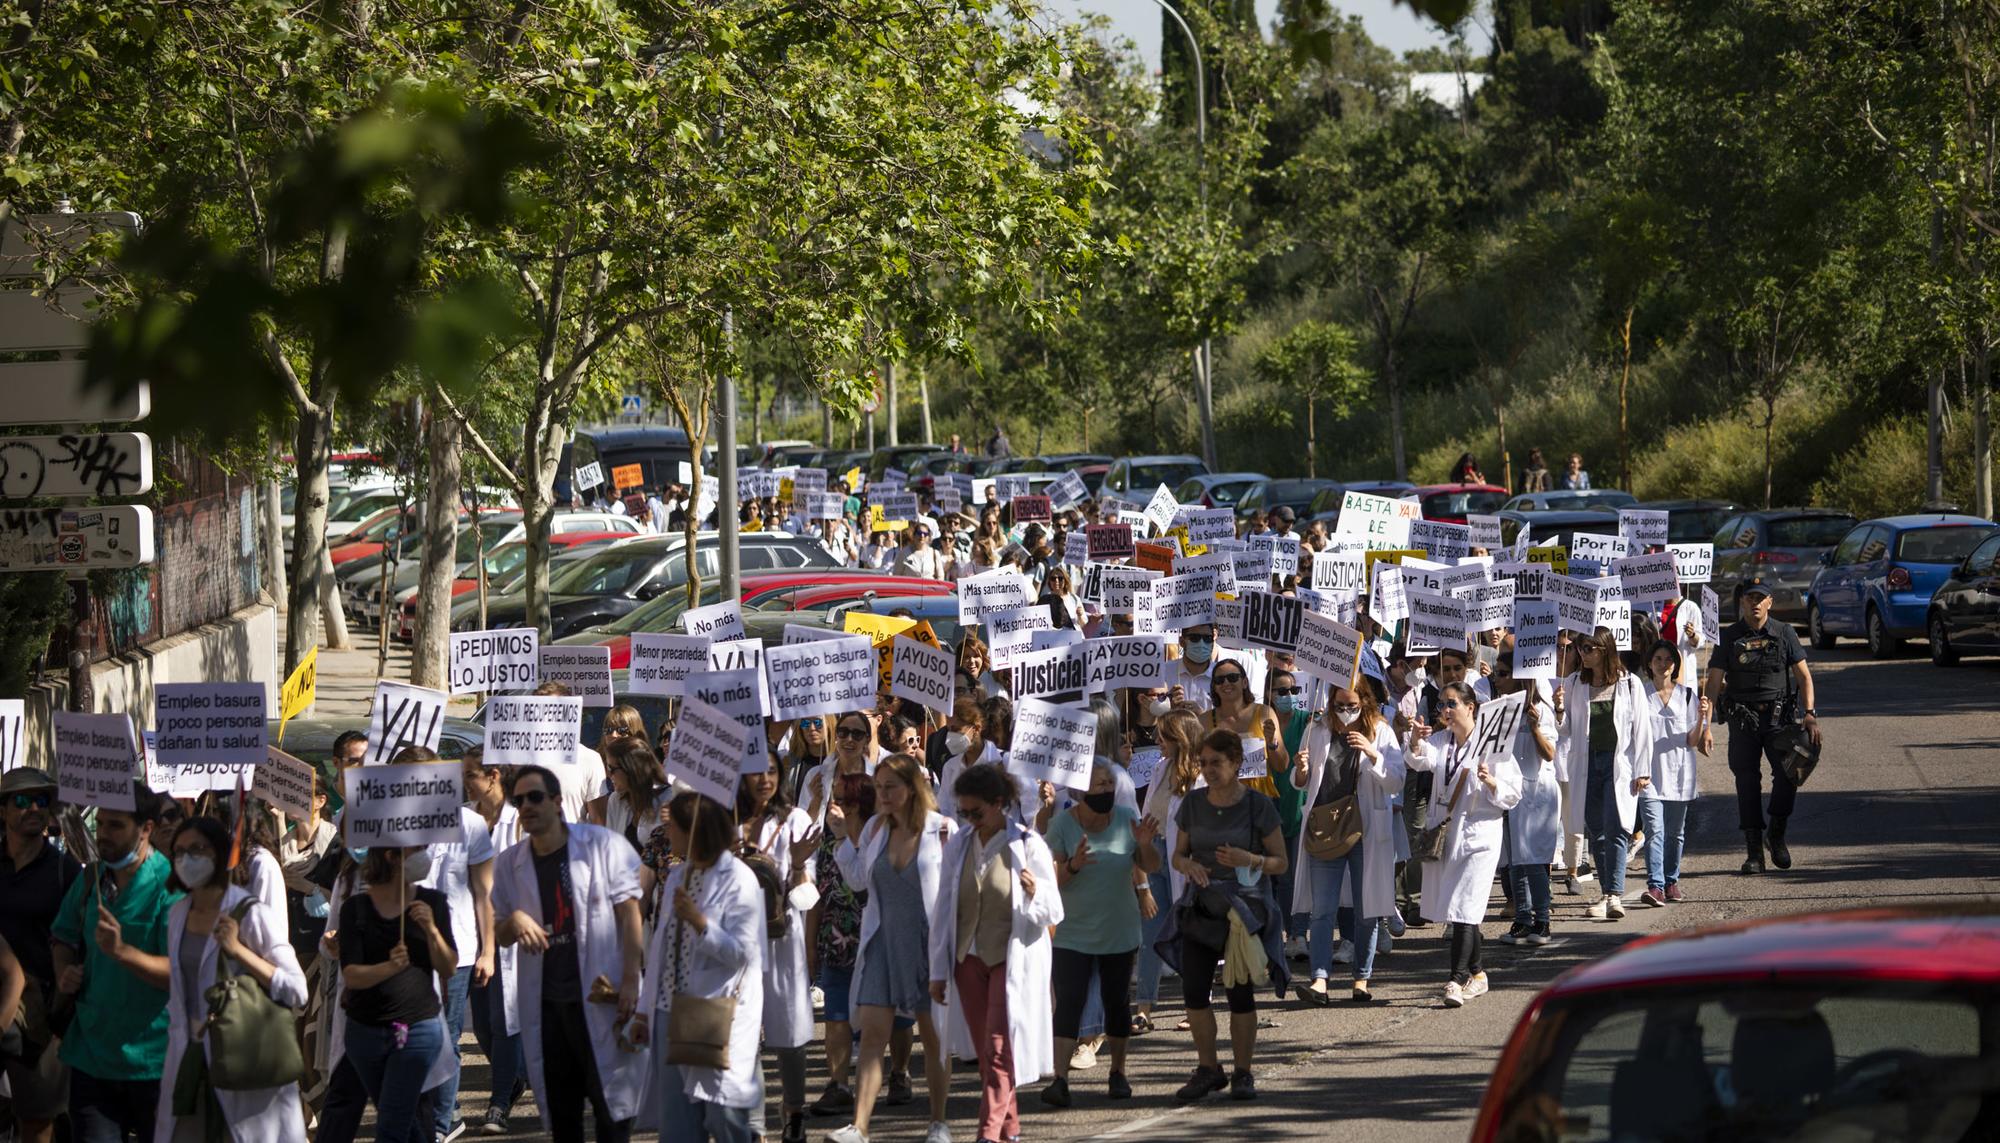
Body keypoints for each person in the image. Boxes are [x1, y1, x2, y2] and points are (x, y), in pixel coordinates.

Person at [491, 765, 648, 1143]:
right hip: (548, 1008)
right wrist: (513, 921)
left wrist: (630, 980)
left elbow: (630, 914)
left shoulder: (601, 845)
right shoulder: (509, 864)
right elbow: (499, 933)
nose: (526, 806)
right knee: (564, 1120)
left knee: (612, 1115)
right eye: (519, 800)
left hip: (601, 997)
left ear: (558, 802)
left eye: (535, 797)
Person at [826, 754, 955, 1143]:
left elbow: (958, 890)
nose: (881, 795)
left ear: (912, 788)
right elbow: (859, 880)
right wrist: (843, 837)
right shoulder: (874, 831)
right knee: (871, 1038)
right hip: (881, 940)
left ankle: (938, 1123)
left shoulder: (943, 830)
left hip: (926, 944)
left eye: (890, 787)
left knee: (934, 1039)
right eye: (878, 787)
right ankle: (859, 1126)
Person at [926, 766, 1060, 1140]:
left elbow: (1054, 910)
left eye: (976, 812)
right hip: (967, 960)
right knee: (987, 1054)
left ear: (999, 804)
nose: (969, 819)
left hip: (1010, 958)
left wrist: (1035, 891)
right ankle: (1010, 1129)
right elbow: (943, 911)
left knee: (1000, 1048)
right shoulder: (959, 845)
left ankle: (986, 1133)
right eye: (964, 812)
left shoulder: (1028, 845)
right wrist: (938, 970)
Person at [158, 815, 309, 1142]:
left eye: (197, 849)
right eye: (180, 852)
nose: (188, 859)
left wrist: (238, 950)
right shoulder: (177, 914)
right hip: (191, 1063)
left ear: (220, 854)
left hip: (244, 1062)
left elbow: (297, 990)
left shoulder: (249, 912)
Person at [1161, 730, 1288, 1104]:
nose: (1209, 770)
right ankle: (1208, 1068)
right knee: (1194, 991)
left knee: (1239, 993)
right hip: (1201, 905)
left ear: (1236, 763)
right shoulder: (1193, 804)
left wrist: (1250, 860)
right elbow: (1178, 855)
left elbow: (1281, 863)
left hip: (1243, 911)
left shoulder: (1258, 806)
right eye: (1204, 763)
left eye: (1217, 762)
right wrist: (1190, 867)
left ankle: (1243, 1072)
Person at [633, 792, 765, 1143]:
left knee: (725, 1119)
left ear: (695, 831)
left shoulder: (739, 879)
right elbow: (660, 945)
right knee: (677, 1126)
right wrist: (645, 1012)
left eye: (673, 826)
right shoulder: (678, 875)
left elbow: (743, 954)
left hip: (715, 1015)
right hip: (668, 1011)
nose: (666, 833)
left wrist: (700, 923)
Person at [53, 784, 180, 1143]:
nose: (103, 835)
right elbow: (62, 937)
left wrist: (123, 952)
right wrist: (63, 969)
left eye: (115, 826)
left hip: (154, 1060)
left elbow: (179, 974)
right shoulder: (91, 879)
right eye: (101, 824)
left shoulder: (170, 888)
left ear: (146, 829)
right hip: (92, 1054)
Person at [1040, 761, 1155, 1106]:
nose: (1105, 789)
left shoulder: (1125, 819)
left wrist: (1146, 846)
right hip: (1073, 932)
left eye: (1108, 783)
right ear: (1079, 789)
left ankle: (1118, 1072)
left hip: (1119, 930)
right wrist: (1072, 865)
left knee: (1116, 1003)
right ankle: (1060, 1080)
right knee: (1069, 1003)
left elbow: (1149, 864)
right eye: (1098, 783)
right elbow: (1050, 879)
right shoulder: (1062, 824)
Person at [1406, 683, 1522, 1008]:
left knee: (1464, 907)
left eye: (1452, 703)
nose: (1445, 710)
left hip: (1481, 836)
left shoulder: (1492, 744)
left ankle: (1455, 980)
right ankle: (1479, 973)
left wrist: (1492, 781)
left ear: (1471, 707)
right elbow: (1419, 760)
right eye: (1442, 703)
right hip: (1449, 835)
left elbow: (1513, 794)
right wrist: (1415, 739)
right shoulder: (1441, 741)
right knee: (1461, 910)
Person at [1290, 686, 1404, 1004]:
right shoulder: (1317, 729)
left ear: (1364, 703)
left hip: (1365, 829)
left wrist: (1371, 752)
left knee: (1366, 907)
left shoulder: (1380, 731)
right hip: (1326, 829)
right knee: (1322, 910)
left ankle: (1361, 979)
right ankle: (1320, 980)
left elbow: (1396, 780)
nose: (1345, 710)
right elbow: (1299, 780)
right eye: (1339, 704)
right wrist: (1300, 772)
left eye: (1352, 705)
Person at [337, 845, 455, 1143]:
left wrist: (431, 930)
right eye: (418, 849)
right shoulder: (355, 908)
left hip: (416, 1030)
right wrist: (390, 967)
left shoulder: (433, 902)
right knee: (400, 1117)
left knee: (391, 1125)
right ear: (392, 855)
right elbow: (352, 975)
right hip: (365, 1034)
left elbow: (448, 966)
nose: (425, 855)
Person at [1701, 577, 1818, 875]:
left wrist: (1810, 714)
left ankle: (1776, 835)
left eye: (1760, 597)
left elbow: (1804, 677)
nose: (1755, 602)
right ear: (1741, 602)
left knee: (1790, 774)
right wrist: (1705, 724)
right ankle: (1754, 852)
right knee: (1747, 782)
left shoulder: (1784, 632)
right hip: (1744, 719)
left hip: (1779, 718)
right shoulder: (1729, 637)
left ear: (1769, 602)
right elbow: (1714, 681)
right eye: (1749, 597)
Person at [739, 757, 820, 1143]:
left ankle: (794, 1113)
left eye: (772, 770)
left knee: (789, 1033)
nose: (765, 779)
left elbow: (806, 898)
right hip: (737, 945)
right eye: (757, 770)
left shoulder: (795, 821)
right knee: (743, 1031)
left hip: (782, 942)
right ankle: (754, 1124)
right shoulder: (725, 821)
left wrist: (800, 865)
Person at [0, 767, 82, 1143]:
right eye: (21, 800)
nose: (33, 807)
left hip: (41, 1022)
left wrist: (62, 1014)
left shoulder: (65, 872)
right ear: (3, 810)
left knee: (36, 1123)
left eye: (41, 800)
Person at [1558, 630, 1649, 921]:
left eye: (1588, 649)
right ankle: (1606, 893)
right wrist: (1558, 708)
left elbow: (1642, 729)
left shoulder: (1629, 684)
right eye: (1580, 649)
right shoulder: (1574, 682)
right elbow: (1567, 729)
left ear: (1604, 650)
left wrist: (1643, 770)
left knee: (1617, 828)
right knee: (1596, 831)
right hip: (1586, 765)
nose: (1582, 654)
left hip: (1618, 765)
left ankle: (1614, 894)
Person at [461, 749, 529, 1135]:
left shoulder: (518, 820)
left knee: (505, 1022)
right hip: (470, 932)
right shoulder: (466, 819)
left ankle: (499, 1102)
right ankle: (517, 1076)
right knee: (483, 1027)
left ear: (493, 776)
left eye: (471, 775)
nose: (466, 782)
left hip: (507, 935)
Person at [1490, 648, 1560, 945]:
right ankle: (1522, 919)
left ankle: (1541, 921)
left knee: (1533, 859)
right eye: (1496, 673)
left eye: (1503, 674)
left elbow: (1549, 753)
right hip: (1509, 791)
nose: (1497, 678)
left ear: (1519, 676)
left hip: (1536, 793)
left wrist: (1533, 728)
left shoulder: (1539, 710)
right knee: (1515, 860)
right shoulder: (1501, 709)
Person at [1639, 642, 1702, 907]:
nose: (1662, 663)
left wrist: (1702, 719)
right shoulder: (1640, 694)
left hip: (1679, 774)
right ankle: (1655, 886)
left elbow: (1693, 741)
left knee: (1675, 833)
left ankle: (1671, 881)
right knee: (1654, 830)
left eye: (1667, 659)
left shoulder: (1688, 696)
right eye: (1657, 658)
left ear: (1675, 664)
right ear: (1649, 663)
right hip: (1648, 775)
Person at [276, 773, 337, 966]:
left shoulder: (335, 845)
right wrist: (278, 819)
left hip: (320, 945)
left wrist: (309, 887)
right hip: (286, 944)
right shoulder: (281, 845)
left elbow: (341, 898)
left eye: (300, 793)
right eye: (289, 793)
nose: (292, 799)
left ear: (320, 801)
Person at [602, 740, 672, 905]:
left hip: (657, 903)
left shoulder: (669, 800)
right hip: (624, 901)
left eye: (612, 769)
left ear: (631, 768)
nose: (608, 774)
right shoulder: (615, 801)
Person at [536, 681, 609, 825]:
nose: (545, 717)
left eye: (553, 710)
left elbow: (598, 823)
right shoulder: (518, 759)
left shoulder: (589, 759)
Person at [800, 712, 878, 827]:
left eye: (857, 734)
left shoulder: (877, 777)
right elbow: (801, 828)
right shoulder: (815, 775)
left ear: (867, 739)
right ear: (836, 736)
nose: (849, 739)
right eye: (843, 732)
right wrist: (816, 801)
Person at [1169, 625, 1219, 712]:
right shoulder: (1163, 671)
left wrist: (1202, 716)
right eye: (1194, 638)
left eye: (1207, 638)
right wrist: (1166, 705)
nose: (1201, 643)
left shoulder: (1221, 675)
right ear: (1182, 642)